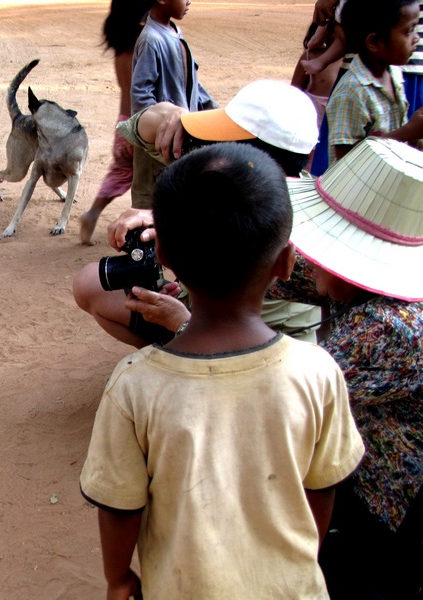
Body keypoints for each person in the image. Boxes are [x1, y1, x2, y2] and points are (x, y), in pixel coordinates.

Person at [79, 142, 365, 599]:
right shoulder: (318, 372)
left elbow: (119, 505)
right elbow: (323, 486)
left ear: (164, 256)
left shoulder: (135, 384)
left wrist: (118, 578)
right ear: (286, 262)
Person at [269, 137, 423, 598]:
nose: (307, 250)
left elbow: (281, 394)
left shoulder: (389, 328)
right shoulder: (370, 290)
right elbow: (281, 271)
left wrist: (185, 324)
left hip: (387, 507)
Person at [73, 80, 321, 347]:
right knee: (91, 282)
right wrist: (175, 117)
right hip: (209, 314)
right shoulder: (229, 178)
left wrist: (180, 323)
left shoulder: (270, 223)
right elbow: (138, 127)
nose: (216, 142)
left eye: (228, 136)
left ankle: (184, 362)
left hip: (259, 349)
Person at [128, 0, 216, 211]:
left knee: (176, 204)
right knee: (149, 206)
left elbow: (192, 83)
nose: (189, 1)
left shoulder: (175, 32)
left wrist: (214, 113)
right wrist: (159, 129)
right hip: (156, 148)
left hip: (181, 140)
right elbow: (141, 95)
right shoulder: (151, 40)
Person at [78, 0, 149, 245]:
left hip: (123, 125)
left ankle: (93, 212)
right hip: (144, 126)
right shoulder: (146, 43)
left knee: (120, 171)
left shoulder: (120, 47)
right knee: (148, 183)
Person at [326, 0, 423, 164]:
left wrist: (414, 139)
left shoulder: (393, 73)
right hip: (355, 188)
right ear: (374, 42)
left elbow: (393, 132)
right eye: (408, 32)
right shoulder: (351, 91)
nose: (416, 38)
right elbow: (346, 160)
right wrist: (407, 133)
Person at [292, 21, 343, 171]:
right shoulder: (310, 56)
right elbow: (295, 92)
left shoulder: (350, 61)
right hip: (311, 124)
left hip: (335, 124)